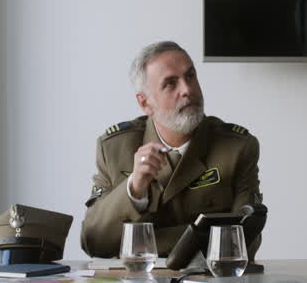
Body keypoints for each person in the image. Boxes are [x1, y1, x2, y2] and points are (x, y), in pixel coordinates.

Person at [81, 41, 262, 258]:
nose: (187, 90)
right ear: (145, 103)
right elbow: (94, 242)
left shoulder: (236, 147)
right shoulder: (114, 148)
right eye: (170, 84)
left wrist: (142, 243)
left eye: (190, 76)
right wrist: (135, 189)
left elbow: (243, 242)